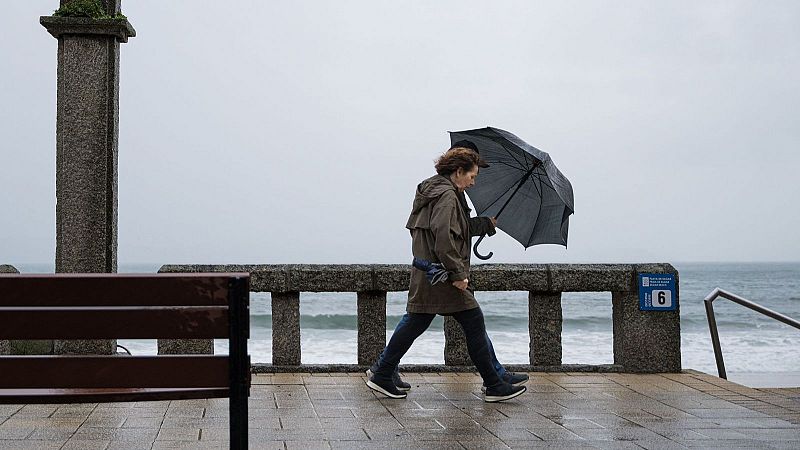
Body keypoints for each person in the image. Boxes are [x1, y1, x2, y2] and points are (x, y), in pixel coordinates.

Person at [365, 143, 527, 403]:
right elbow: (443, 238)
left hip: (429, 273)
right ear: (459, 171)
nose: (474, 182)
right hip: (441, 275)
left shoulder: (437, 190)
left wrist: (484, 224)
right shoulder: (447, 196)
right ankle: (495, 383)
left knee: (416, 321)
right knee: (473, 321)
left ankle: (383, 371)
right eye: (472, 176)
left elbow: (453, 228)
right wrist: (457, 273)